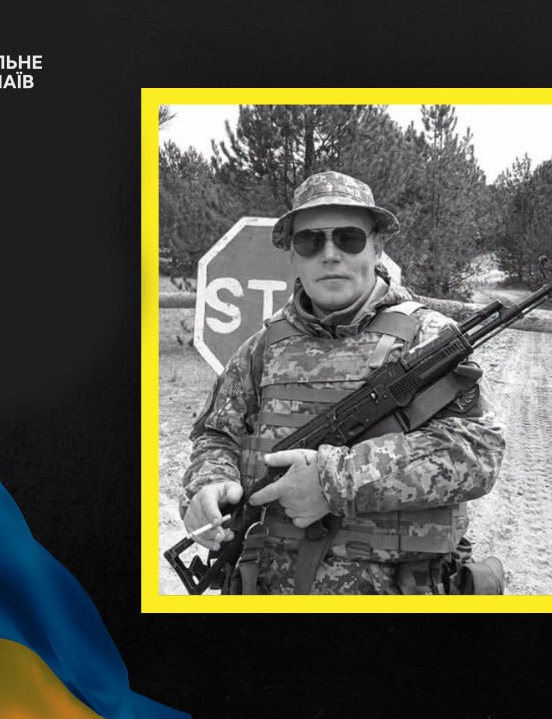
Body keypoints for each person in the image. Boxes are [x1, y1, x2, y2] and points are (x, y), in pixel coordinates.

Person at [178, 171, 505, 594]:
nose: (329, 255)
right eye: (310, 242)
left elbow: (478, 452)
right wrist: (207, 485)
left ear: (377, 246)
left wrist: (335, 482)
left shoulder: (429, 340)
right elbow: (214, 435)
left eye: (348, 238)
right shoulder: (262, 349)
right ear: (293, 255)